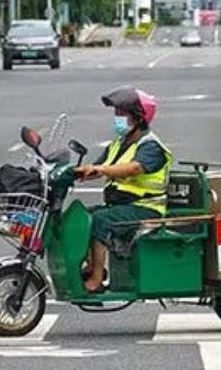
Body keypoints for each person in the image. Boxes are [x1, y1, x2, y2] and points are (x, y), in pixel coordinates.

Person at [74, 86, 171, 293]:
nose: (117, 118)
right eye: (116, 113)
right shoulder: (119, 144)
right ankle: (91, 267)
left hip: (146, 208)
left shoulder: (151, 146)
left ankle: (96, 279)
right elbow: (99, 168)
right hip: (123, 206)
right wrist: (73, 173)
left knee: (101, 221)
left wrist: (100, 169)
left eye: (122, 113)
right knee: (83, 217)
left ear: (138, 117)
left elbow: (134, 168)